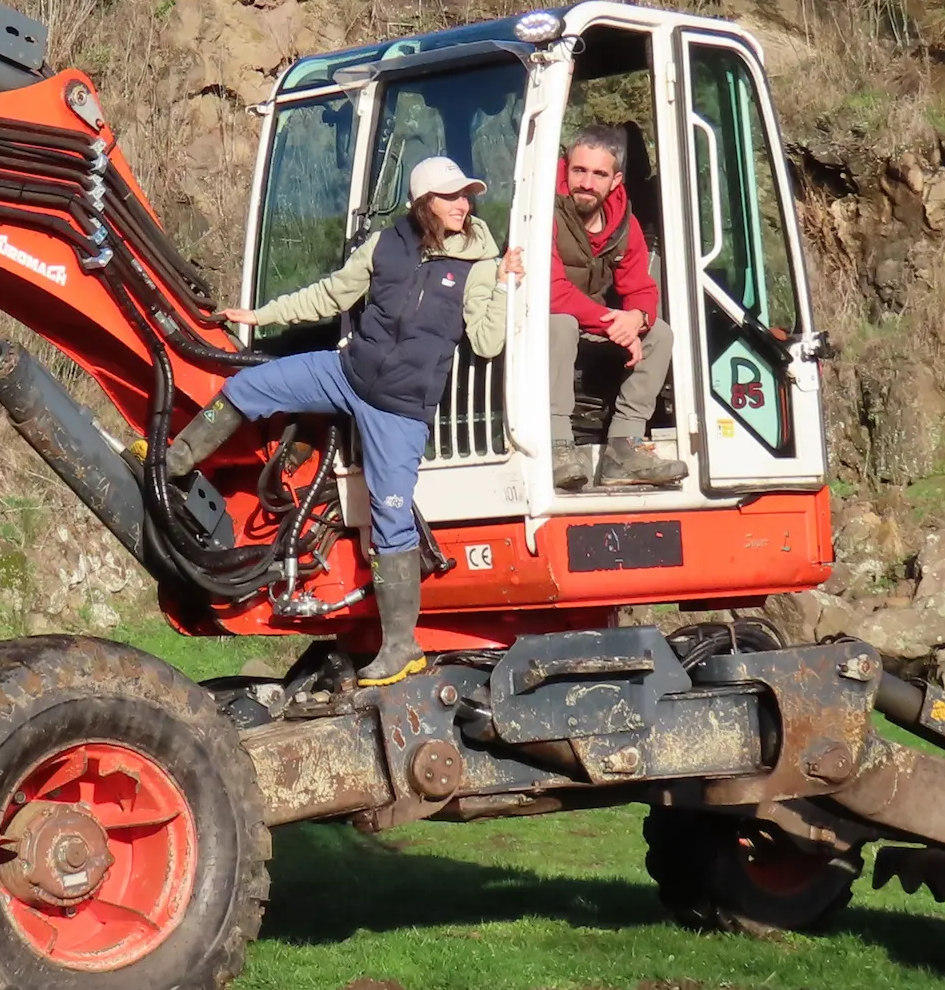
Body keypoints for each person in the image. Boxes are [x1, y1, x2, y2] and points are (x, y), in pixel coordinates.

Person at [166, 156, 524, 686]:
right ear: (424, 202)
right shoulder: (386, 244)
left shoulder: (478, 263)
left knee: (392, 520)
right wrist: (261, 316)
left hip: (399, 410)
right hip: (346, 373)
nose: (463, 205)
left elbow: (488, 342)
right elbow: (331, 294)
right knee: (249, 387)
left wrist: (501, 284)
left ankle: (401, 647)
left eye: (467, 196)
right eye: (452, 197)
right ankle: (172, 461)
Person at [549, 124, 686, 490]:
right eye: (579, 171)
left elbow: (641, 287)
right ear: (566, 168)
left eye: (599, 174)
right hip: (550, 328)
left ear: (616, 180)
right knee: (558, 323)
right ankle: (557, 445)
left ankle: (624, 449)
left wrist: (637, 318)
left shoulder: (625, 223)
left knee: (660, 334)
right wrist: (613, 323)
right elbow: (551, 291)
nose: (587, 183)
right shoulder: (543, 211)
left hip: (593, 326)